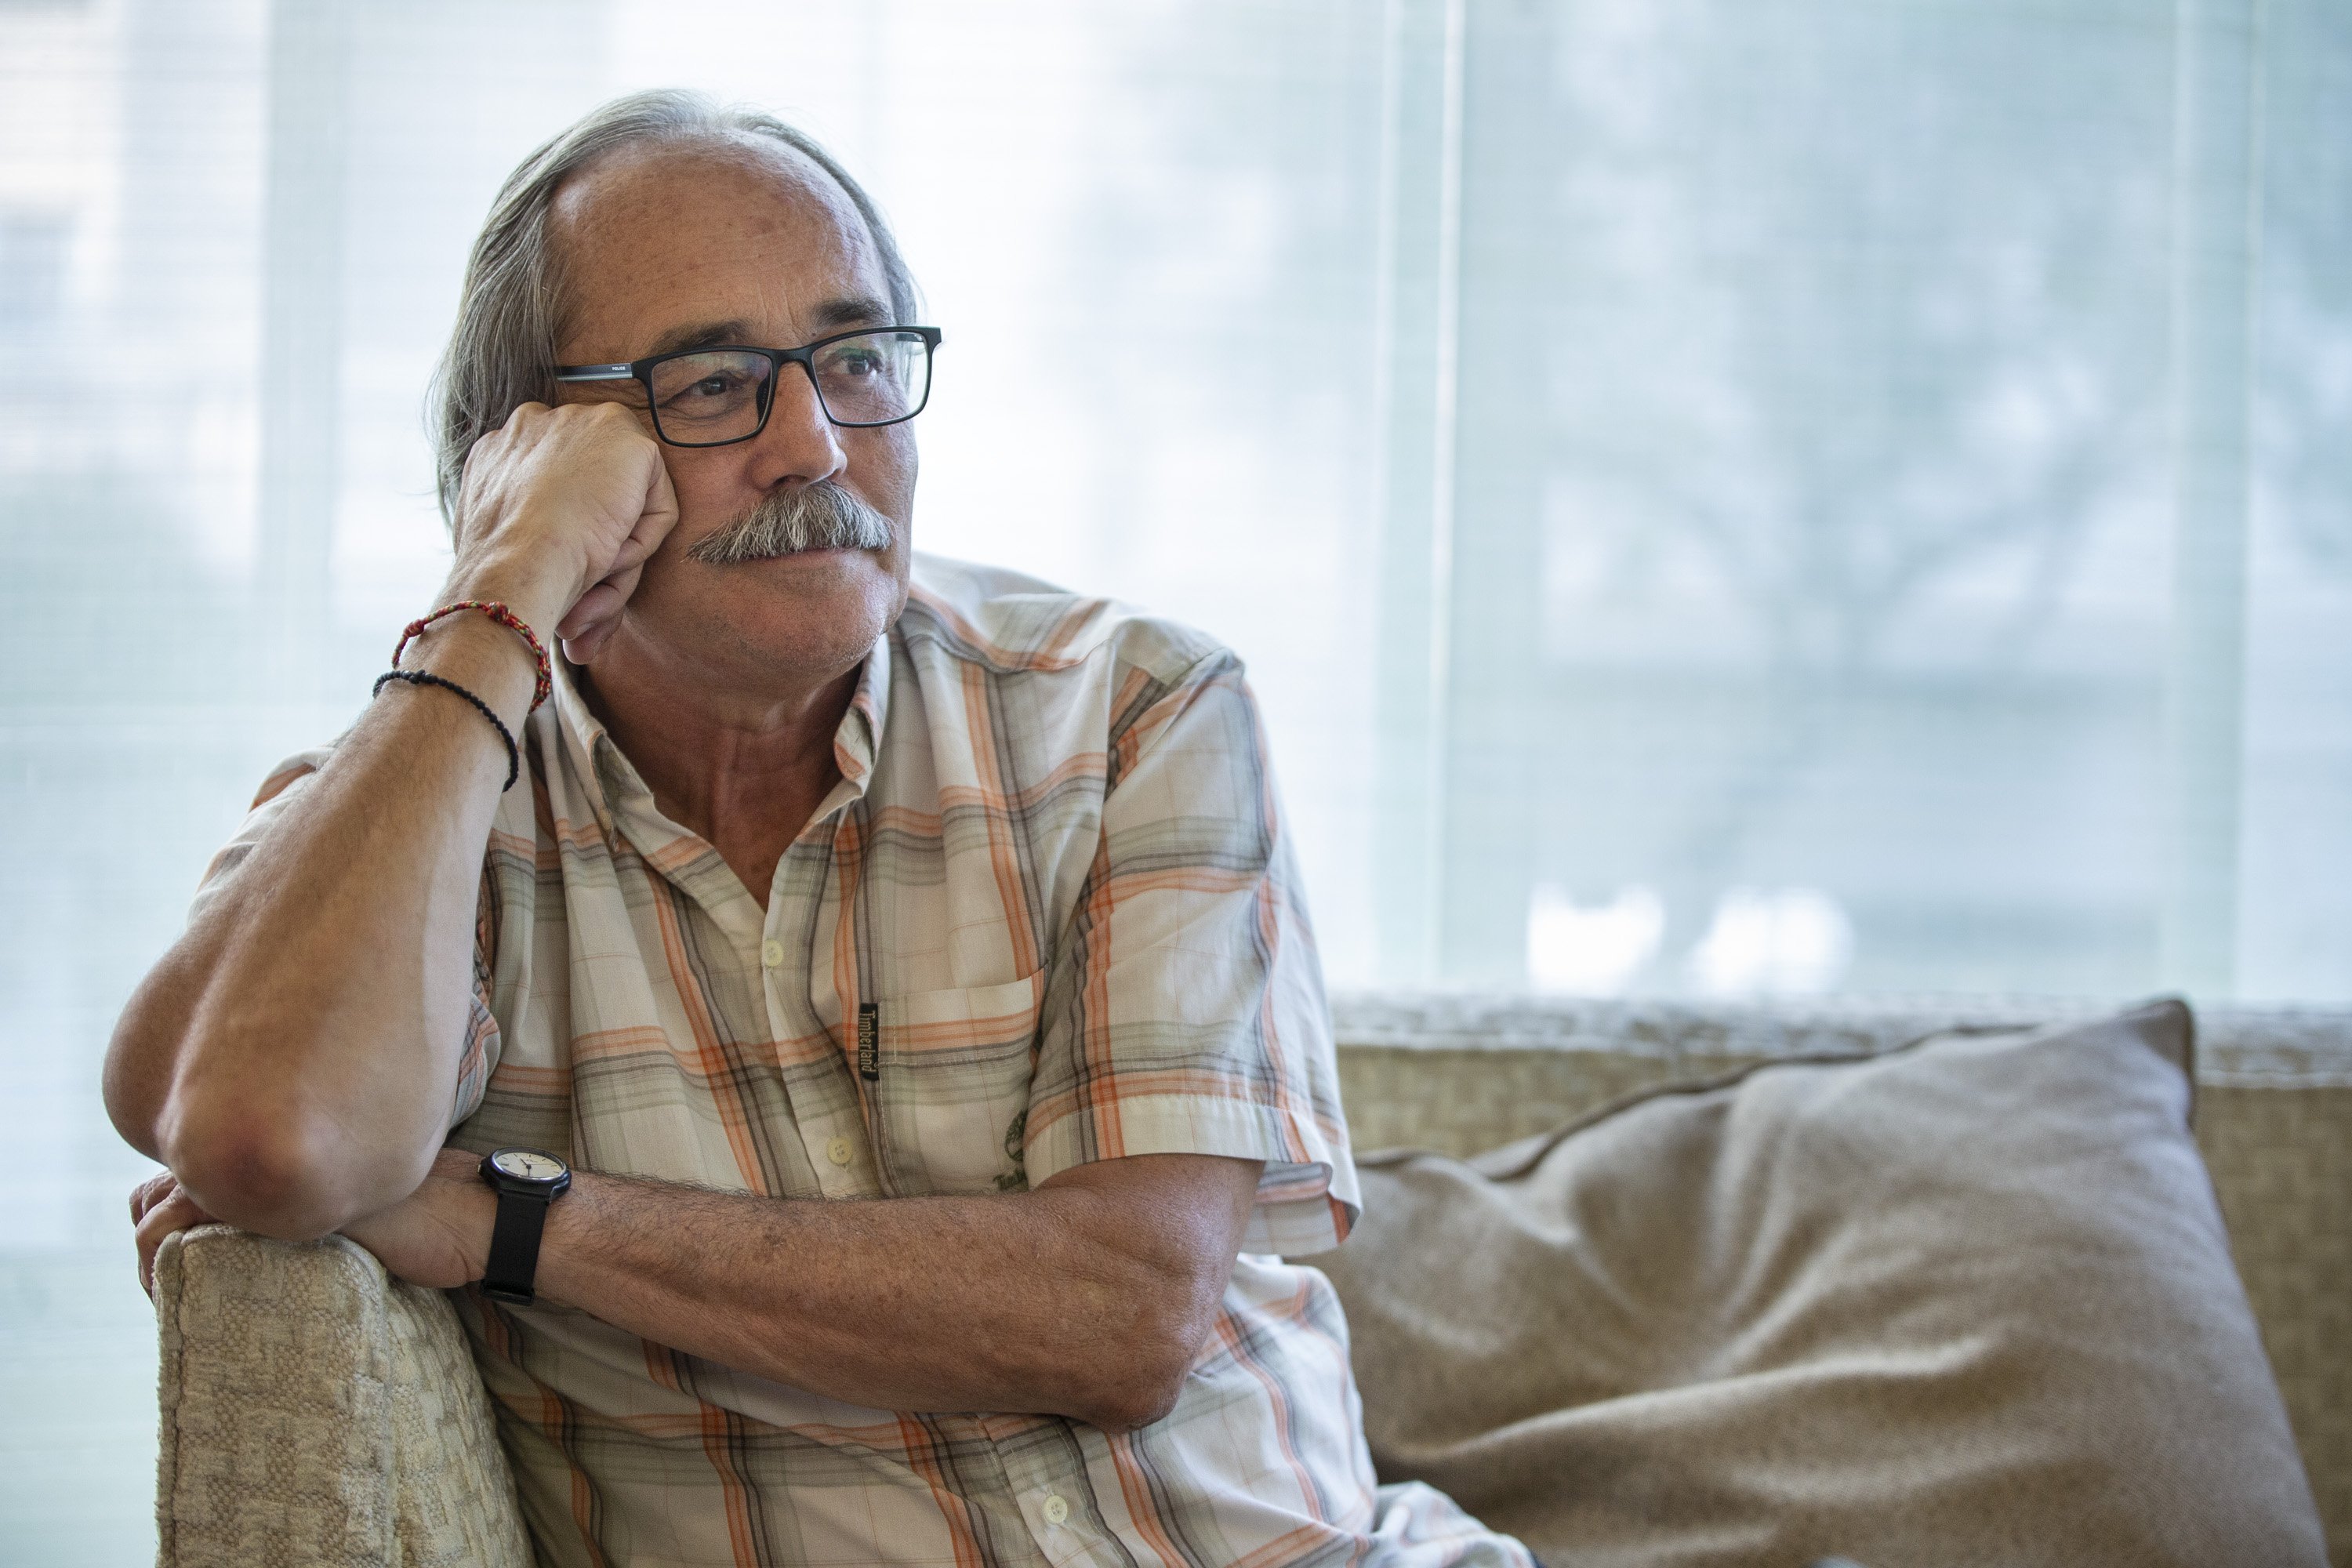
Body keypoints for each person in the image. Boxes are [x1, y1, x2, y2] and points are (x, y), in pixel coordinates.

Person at [103, 89, 1533, 1568]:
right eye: (715, 383)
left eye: (854, 361)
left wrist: (510, 1223)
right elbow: (259, 1133)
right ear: (525, 453)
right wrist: (500, 594)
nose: (817, 445)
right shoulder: (425, 817)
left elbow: (1125, 1312)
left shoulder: (1132, 709)